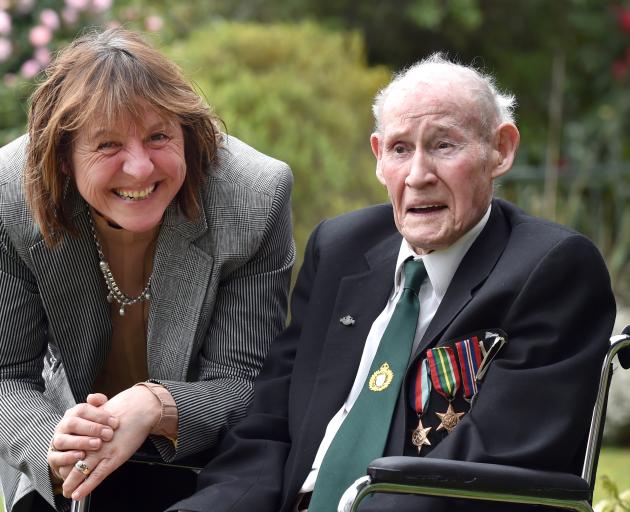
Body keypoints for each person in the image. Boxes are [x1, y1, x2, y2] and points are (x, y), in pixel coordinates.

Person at [168, 54, 616, 512]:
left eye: (444, 145)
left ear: (500, 149)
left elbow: (486, 464)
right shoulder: (340, 249)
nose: (419, 176)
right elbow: (268, 427)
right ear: (379, 157)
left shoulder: (551, 270)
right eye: (401, 149)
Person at [0, 27, 295, 512]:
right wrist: (56, 442)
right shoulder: (13, 197)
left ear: (188, 132)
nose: (140, 169)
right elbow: (9, 374)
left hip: (204, 464)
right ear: (64, 159)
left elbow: (245, 384)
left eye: (159, 136)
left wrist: (156, 406)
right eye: (108, 145)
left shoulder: (254, 195)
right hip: (67, 452)